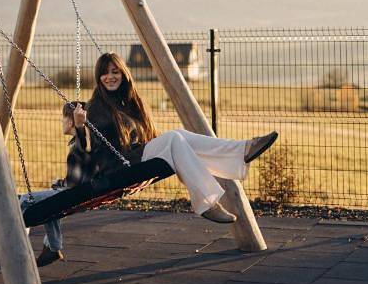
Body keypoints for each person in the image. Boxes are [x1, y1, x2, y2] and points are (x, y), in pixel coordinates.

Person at [78, 52, 278, 224]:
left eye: (115, 72)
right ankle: (206, 201)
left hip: (137, 157)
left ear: (124, 74)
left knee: (180, 135)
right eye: (105, 73)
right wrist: (80, 127)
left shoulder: (128, 101)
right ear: (98, 77)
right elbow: (87, 148)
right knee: (174, 137)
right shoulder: (96, 107)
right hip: (119, 167)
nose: (110, 77)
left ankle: (242, 150)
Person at [0, 100, 91, 271]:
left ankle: (10, 252)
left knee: (24, 200)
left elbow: (84, 161)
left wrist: (81, 126)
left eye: (63, 118)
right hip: (77, 192)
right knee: (50, 204)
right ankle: (52, 248)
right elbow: (82, 175)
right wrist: (61, 183)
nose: (61, 122)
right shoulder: (78, 142)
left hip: (76, 194)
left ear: (71, 122)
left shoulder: (82, 142)